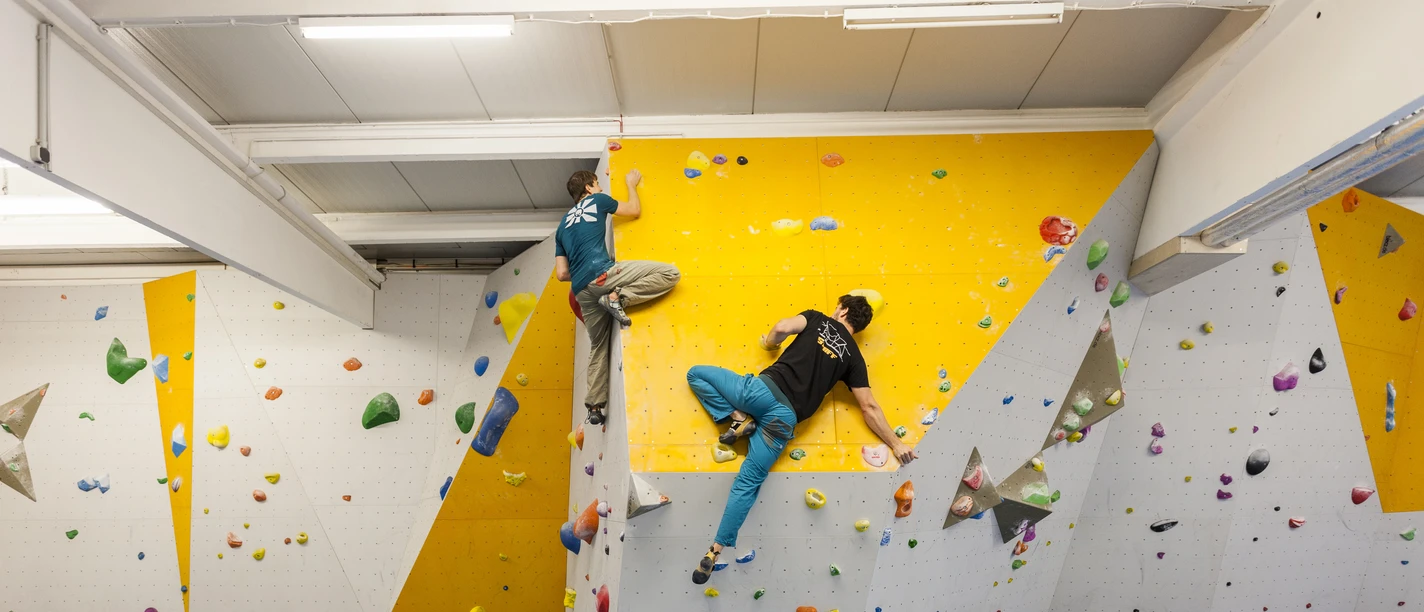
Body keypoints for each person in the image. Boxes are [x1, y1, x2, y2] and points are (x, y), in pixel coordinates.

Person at [685, 294, 917, 584]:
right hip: (783, 420)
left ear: (843, 310)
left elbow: (781, 327)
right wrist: (897, 444)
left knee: (696, 374)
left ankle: (738, 417)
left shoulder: (817, 318)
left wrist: (771, 344)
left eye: (838, 307)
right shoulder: (854, 358)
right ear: (858, 326)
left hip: (761, 392)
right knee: (747, 483)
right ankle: (715, 549)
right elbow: (869, 406)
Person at [556, 168, 680, 425]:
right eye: (597, 183)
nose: (600, 188)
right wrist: (631, 184)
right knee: (670, 274)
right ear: (588, 188)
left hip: (582, 291)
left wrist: (584, 276)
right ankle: (619, 298)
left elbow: (562, 274)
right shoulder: (598, 200)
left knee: (598, 345)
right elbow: (634, 211)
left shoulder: (562, 227)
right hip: (604, 275)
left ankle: (594, 407)